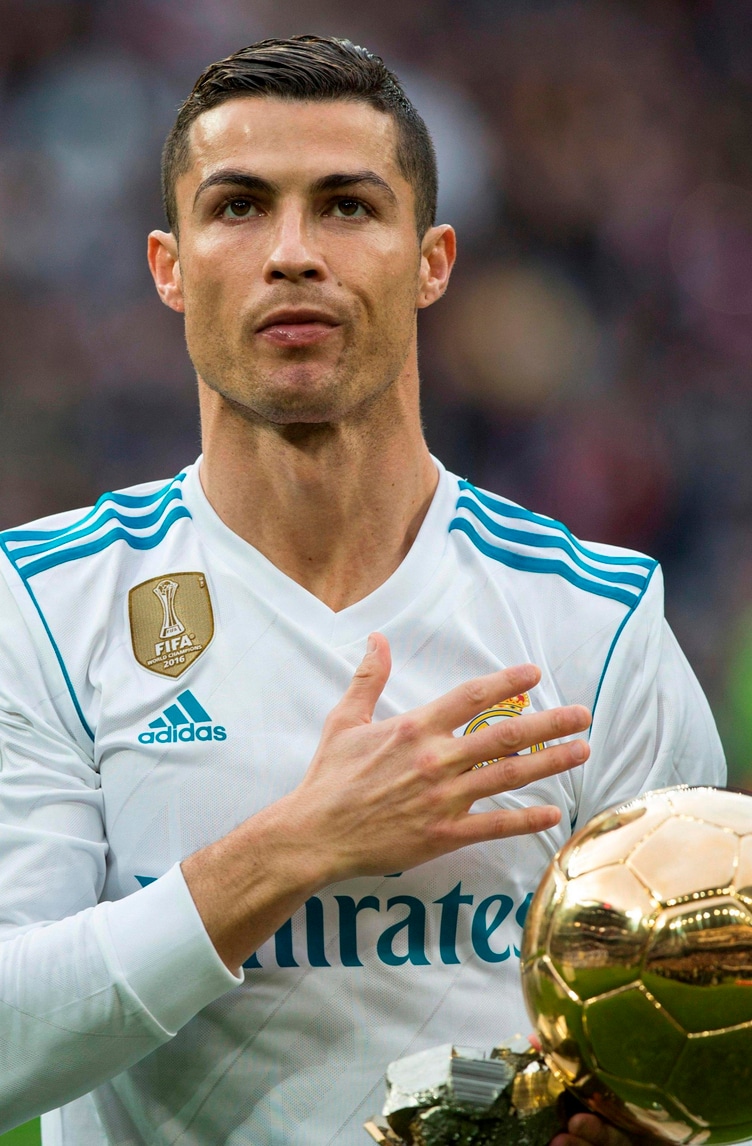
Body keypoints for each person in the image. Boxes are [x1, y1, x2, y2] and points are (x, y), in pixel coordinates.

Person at [0, 35, 724, 1146]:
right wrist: (301, 844)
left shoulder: (596, 620)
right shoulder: (48, 603)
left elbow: (715, 1046)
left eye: (346, 206)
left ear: (431, 261)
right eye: (238, 207)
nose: (292, 253)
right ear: (168, 267)